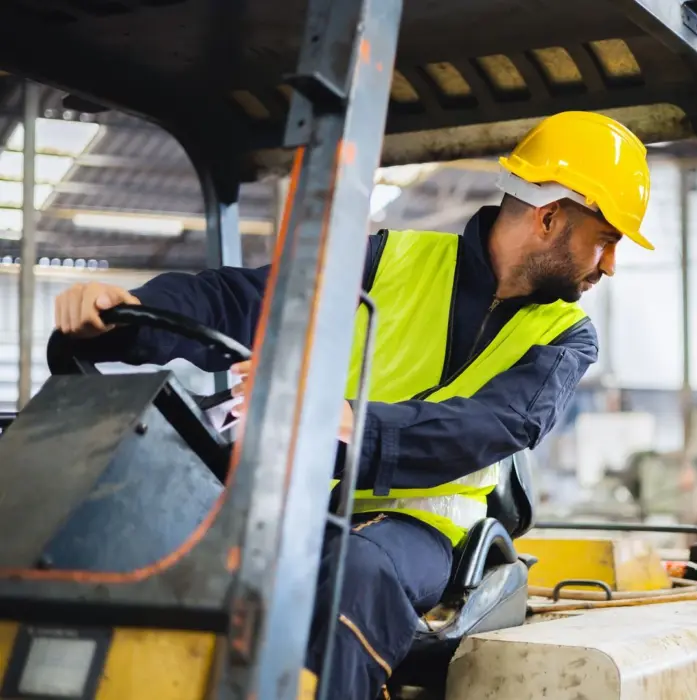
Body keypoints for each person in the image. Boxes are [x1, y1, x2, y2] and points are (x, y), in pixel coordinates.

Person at [50, 110, 653, 700]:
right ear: (549, 218)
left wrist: (351, 426)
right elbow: (246, 300)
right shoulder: (387, 260)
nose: (610, 266)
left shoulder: (567, 337)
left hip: (423, 530)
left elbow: (492, 424)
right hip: (297, 504)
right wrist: (128, 313)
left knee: (352, 575)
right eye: (605, 241)